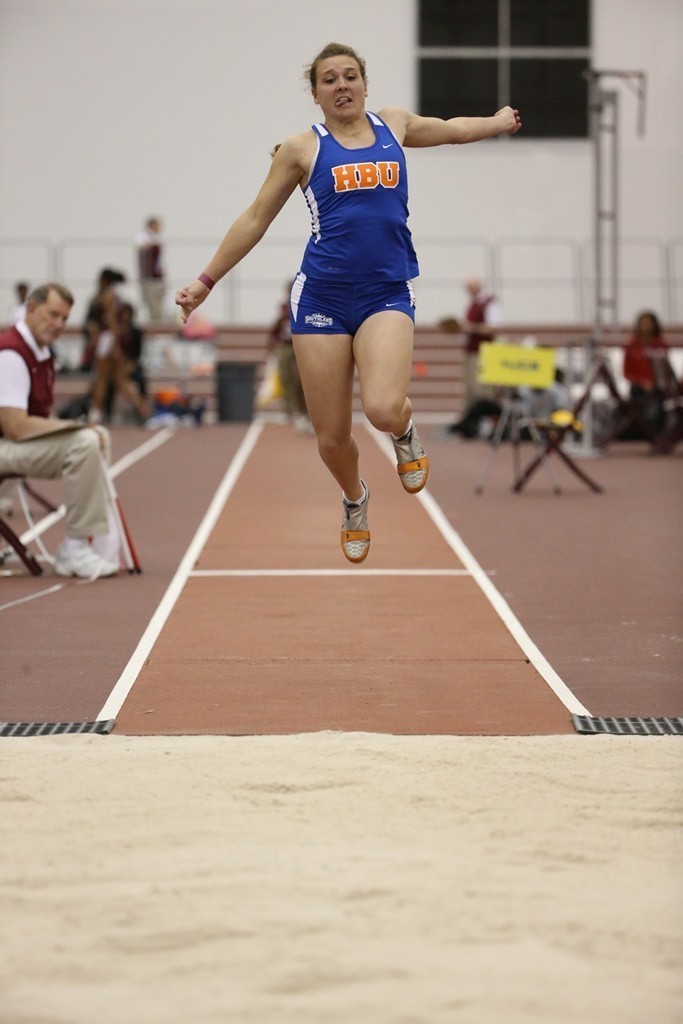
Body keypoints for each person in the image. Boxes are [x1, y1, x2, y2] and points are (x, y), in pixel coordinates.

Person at [175, 41, 521, 562]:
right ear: (315, 94)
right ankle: (355, 498)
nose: (342, 85)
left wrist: (496, 122)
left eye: (350, 76)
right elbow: (254, 220)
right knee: (333, 439)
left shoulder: (395, 126)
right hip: (321, 297)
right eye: (330, 79)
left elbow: (450, 129)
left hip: (386, 290)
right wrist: (207, 280)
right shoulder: (301, 149)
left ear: (364, 83)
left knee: (382, 406)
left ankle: (404, 430)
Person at [0, 283, 120, 578]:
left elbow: (39, 416)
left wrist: (74, 428)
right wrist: (73, 428)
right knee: (84, 442)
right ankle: (75, 547)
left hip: (10, 443)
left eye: (64, 318)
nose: (58, 324)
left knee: (95, 437)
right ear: (31, 308)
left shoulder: (40, 353)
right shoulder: (12, 355)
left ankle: (91, 539)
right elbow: (16, 427)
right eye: (52, 314)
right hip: (6, 443)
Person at [85, 268, 149, 425]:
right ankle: (142, 407)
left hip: (108, 340)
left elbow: (112, 322)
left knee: (102, 380)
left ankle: (95, 414)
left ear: (105, 281)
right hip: (111, 339)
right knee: (119, 381)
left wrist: (115, 346)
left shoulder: (108, 297)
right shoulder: (116, 297)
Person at [267, 279, 311, 432]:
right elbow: (276, 327)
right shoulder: (285, 307)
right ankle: (289, 410)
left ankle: (306, 412)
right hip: (286, 346)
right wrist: (272, 346)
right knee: (286, 378)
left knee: (303, 381)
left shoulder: (306, 302)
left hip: (301, 344)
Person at [622, 310, 671, 436]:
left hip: (658, 386)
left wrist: (654, 383)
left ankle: (660, 432)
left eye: (649, 323)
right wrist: (642, 382)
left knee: (663, 396)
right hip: (638, 386)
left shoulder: (661, 344)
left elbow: (665, 369)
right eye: (644, 323)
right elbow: (627, 372)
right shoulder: (632, 345)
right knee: (637, 395)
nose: (646, 326)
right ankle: (639, 430)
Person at [135, 216, 166, 322]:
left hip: (157, 277)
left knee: (159, 306)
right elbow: (141, 247)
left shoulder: (157, 239)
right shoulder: (143, 236)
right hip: (148, 278)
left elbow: (160, 262)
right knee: (150, 304)